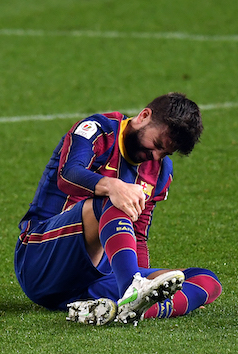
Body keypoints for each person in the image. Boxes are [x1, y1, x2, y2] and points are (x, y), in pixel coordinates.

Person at [14, 93, 222, 326]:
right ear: (144, 116)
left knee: (205, 280)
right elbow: (67, 175)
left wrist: (145, 279)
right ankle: (131, 291)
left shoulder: (160, 171)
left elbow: (139, 235)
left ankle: (137, 308)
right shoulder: (99, 131)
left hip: (95, 280)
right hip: (40, 260)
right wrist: (112, 185)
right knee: (117, 199)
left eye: (165, 153)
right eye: (157, 145)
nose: (155, 156)